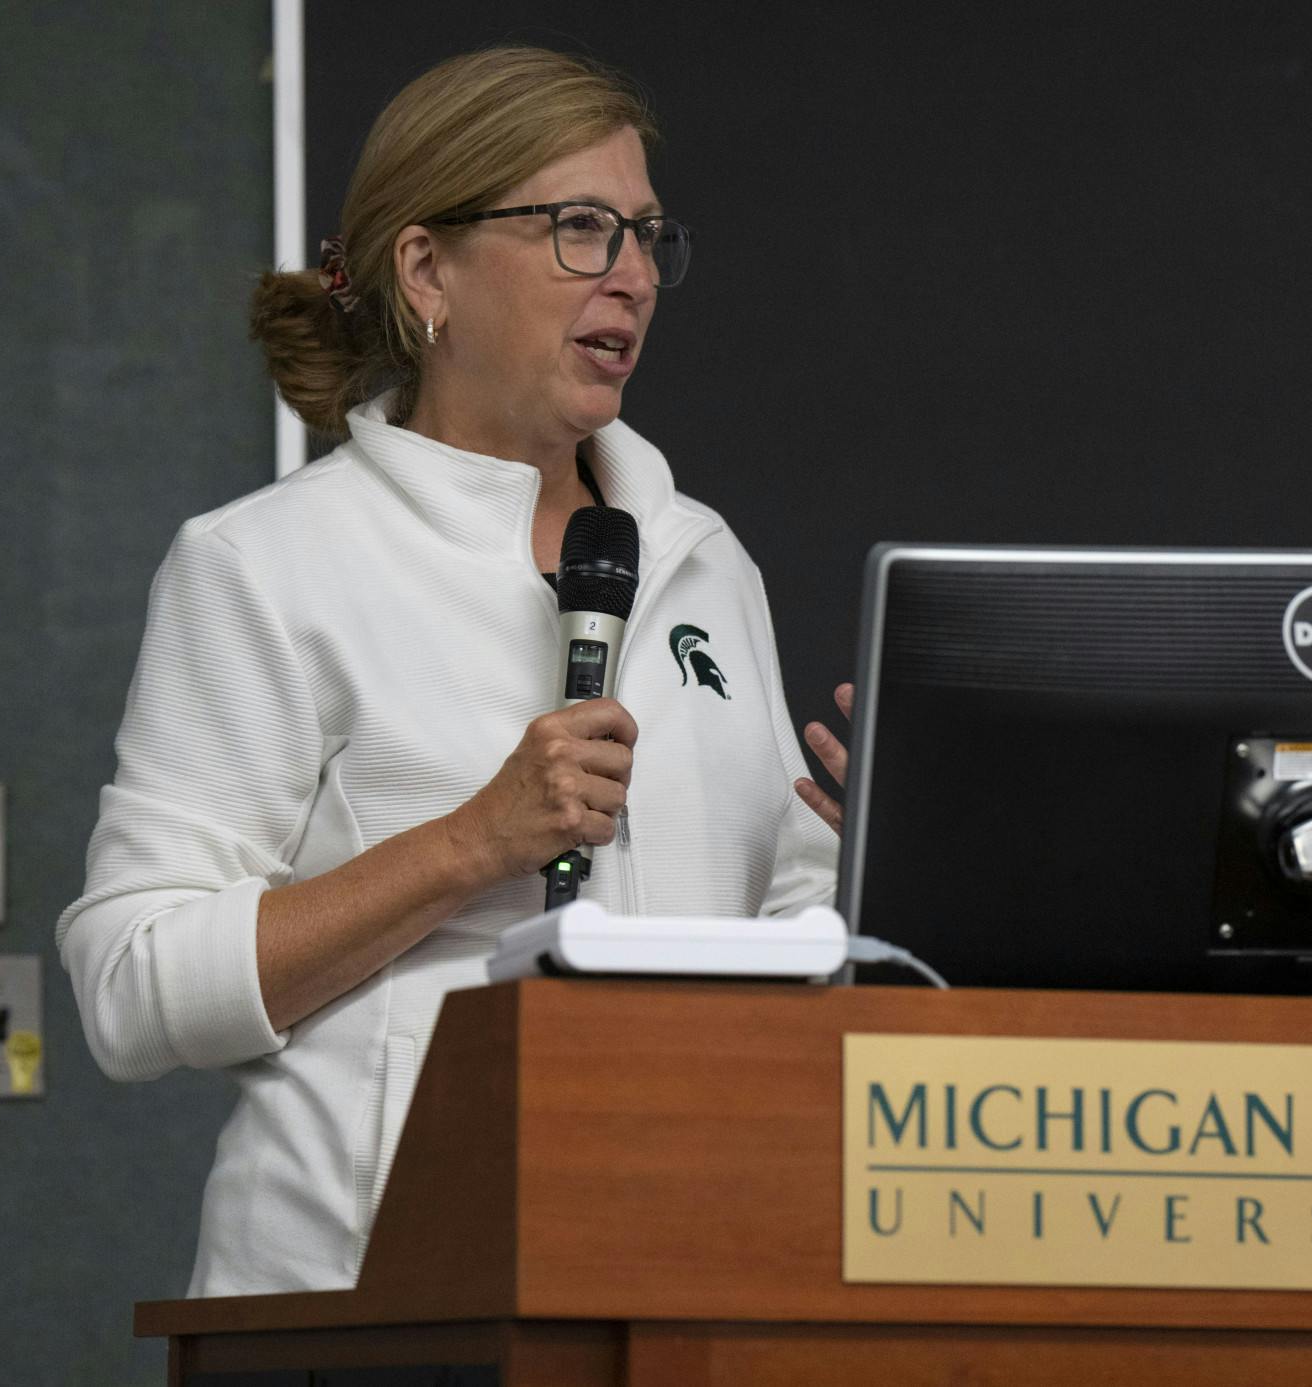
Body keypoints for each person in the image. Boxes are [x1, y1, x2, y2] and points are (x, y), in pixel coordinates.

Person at [56, 46, 842, 1298]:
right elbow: (130, 983)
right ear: (427, 271)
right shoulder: (267, 563)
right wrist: (471, 843)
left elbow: (781, 922)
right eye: (580, 229)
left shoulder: (703, 560)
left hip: (685, 1268)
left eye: (645, 236)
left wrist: (865, 866)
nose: (633, 276)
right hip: (364, 1298)